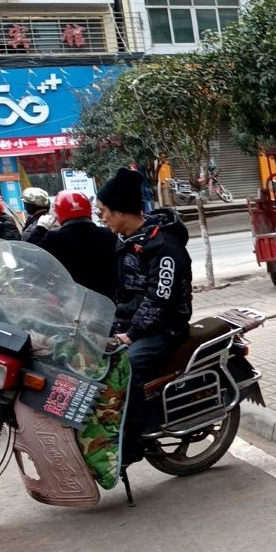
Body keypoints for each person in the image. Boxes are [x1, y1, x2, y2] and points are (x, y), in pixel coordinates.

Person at [96, 167, 192, 463]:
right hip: (129, 322)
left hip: (164, 327)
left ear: (121, 211)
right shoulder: (125, 240)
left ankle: (130, 443)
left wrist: (131, 334)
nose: (101, 217)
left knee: (127, 367)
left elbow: (159, 299)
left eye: (103, 211)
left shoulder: (164, 246)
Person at [24, 190, 117, 299]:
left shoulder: (54, 238)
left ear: (59, 213)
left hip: (71, 303)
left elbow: (29, 255)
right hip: (108, 301)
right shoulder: (109, 235)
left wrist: (40, 228)